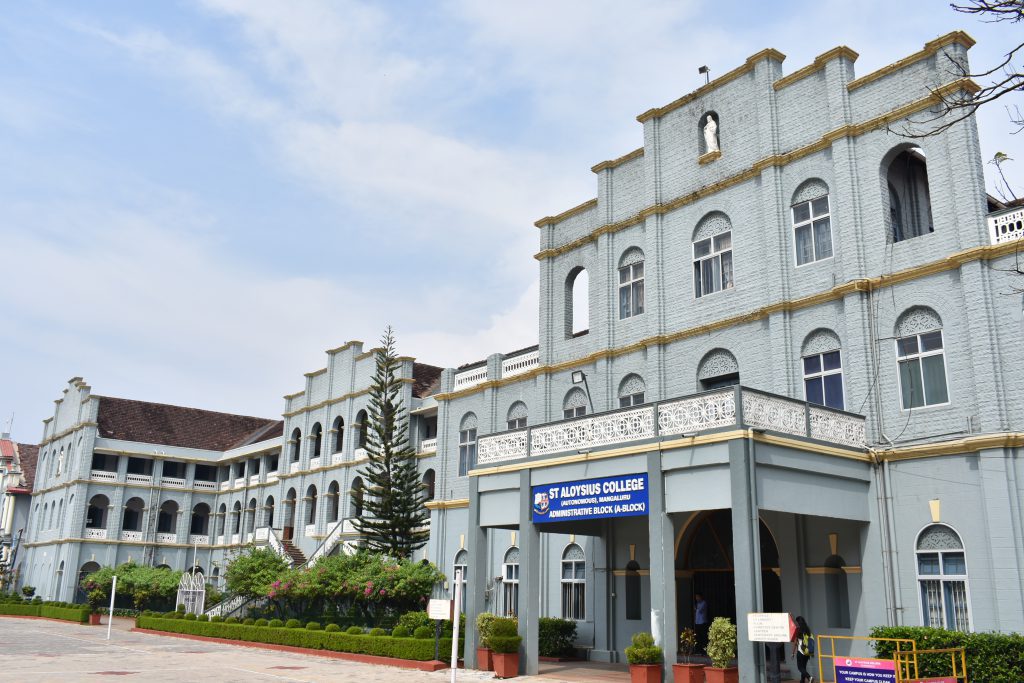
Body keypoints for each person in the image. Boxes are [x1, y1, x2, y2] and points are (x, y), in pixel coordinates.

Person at [791, 615, 814, 683]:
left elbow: (795, 643)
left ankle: (809, 677)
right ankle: (802, 681)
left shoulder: (798, 630)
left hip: (800, 652)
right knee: (803, 667)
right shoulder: (807, 629)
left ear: (798, 622)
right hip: (807, 652)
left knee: (800, 667)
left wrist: (793, 653)